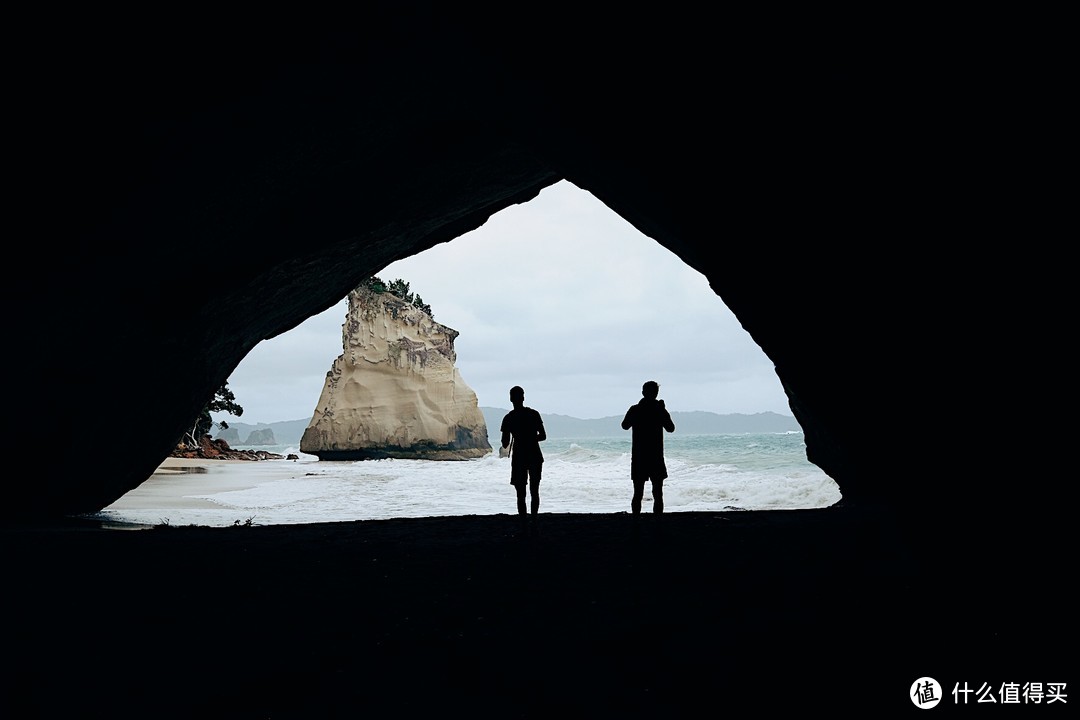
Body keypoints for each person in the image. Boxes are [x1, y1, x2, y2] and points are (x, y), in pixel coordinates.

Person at [621, 380, 675, 514]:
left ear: (643, 392)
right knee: (658, 493)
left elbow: (624, 425)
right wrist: (662, 410)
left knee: (638, 492)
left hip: (639, 456)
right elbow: (671, 428)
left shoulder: (635, 409)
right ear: (656, 393)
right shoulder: (659, 409)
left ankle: (636, 521)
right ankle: (657, 521)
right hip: (655, 456)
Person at [500, 386, 547, 516]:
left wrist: (517, 436)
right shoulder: (534, 414)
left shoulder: (508, 418)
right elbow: (543, 436)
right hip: (535, 454)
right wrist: (531, 438)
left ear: (510, 399)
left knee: (520, 493)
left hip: (519, 456)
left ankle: (523, 521)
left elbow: (505, 444)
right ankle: (534, 519)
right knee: (534, 490)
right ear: (523, 397)